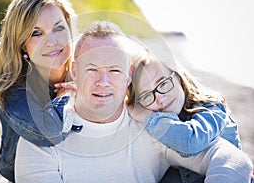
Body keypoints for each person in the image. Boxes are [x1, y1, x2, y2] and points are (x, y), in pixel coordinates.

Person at [15, 20, 253, 183]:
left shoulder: (152, 127)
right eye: (92, 69)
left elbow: (233, 159)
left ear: (129, 75)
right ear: (75, 72)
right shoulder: (41, 137)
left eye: (115, 71)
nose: (103, 81)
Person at [0, 0, 80, 182]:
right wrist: (66, 97)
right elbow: (49, 132)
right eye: (36, 33)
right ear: (20, 43)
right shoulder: (12, 89)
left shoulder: (86, 68)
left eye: (58, 28)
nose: (51, 41)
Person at [126, 48, 253, 182]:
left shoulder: (211, 107)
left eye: (163, 83)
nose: (160, 98)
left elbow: (190, 142)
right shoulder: (156, 118)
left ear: (178, 76)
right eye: (147, 95)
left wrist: (148, 118)